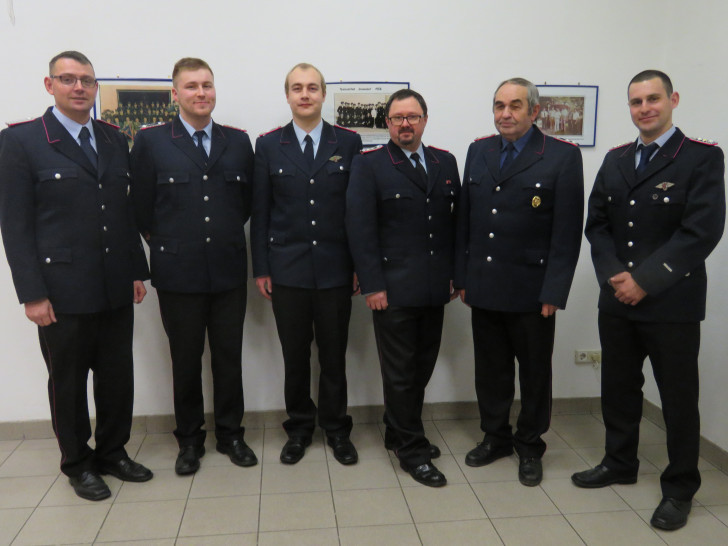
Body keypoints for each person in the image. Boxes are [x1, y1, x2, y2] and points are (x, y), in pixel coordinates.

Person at [571, 70, 725, 531]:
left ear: (673, 99)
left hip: (671, 303)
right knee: (618, 387)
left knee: (678, 397)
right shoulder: (618, 159)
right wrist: (615, 275)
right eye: (636, 101)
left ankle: (680, 487)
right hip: (617, 299)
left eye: (653, 99)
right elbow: (596, 224)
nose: (645, 108)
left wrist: (645, 280)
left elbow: (701, 232)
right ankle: (619, 462)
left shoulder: (700, 157)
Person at [0, 51, 153, 501]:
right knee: (67, 383)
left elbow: (122, 212)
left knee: (116, 376)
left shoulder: (111, 137)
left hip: (113, 283)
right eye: (68, 79)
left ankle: (112, 451)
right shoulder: (22, 141)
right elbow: (14, 224)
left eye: (86, 79)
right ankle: (77, 462)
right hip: (61, 291)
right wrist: (31, 293)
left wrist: (135, 270)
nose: (79, 87)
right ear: (50, 85)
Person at [130, 57, 257, 475]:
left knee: (228, 358)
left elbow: (245, 205)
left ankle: (231, 434)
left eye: (207, 85)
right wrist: (171, 244)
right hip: (178, 273)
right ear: (175, 94)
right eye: (191, 86)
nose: (201, 93)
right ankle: (189, 441)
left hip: (226, 271)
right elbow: (142, 210)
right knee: (184, 361)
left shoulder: (238, 142)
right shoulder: (151, 142)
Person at [455, 78, 583, 487]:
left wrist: (554, 290)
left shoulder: (561, 156)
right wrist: (462, 276)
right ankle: (495, 437)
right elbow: (466, 221)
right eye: (498, 106)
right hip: (485, 284)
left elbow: (566, 232)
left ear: (535, 111)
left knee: (533, 373)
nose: (505, 114)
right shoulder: (479, 150)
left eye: (514, 106)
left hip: (532, 290)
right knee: (491, 372)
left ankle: (529, 445)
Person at [346, 89, 460, 487]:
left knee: (422, 367)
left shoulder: (445, 162)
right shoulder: (370, 165)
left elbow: (453, 227)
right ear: (388, 124)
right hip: (391, 290)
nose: (405, 124)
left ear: (425, 120)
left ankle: (397, 430)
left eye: (412, 116)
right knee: (399, 373)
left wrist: (454, 275)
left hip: (434, 289)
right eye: (397, 118)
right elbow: (360, 230)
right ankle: (412, 450)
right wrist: (373, 285)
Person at [251, 63, 362, 465]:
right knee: (295, 357)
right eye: (297, 88)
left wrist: (358, 266)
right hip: (288, 271)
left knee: (334, 355)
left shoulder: (348, 143)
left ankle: (336, 429)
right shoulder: (268, 145)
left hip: (335, 269)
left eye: (312, 88)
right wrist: (261, 268)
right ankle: (299, 428)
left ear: (323, 94)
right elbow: (260, 212)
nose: (305, 94)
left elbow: (357, 212)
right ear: (287, 95)